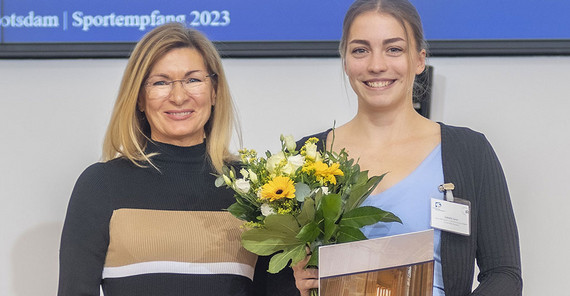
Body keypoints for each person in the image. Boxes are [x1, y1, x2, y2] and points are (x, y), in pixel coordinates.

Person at [291, 0, 523, 295]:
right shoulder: (306, 156)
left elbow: (504, 274)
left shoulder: (469, 152)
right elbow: (276, 278)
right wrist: (296, 285)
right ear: (345, 60)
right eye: (360, 50)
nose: (376, 65)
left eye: (394, 49)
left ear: (419, 60)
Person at [58, 23, 264, 295]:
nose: (179, 97)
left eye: (193, 80)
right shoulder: (100, 185)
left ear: (214, 91)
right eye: (160, 82)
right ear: (139, 98)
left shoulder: (253, 188)